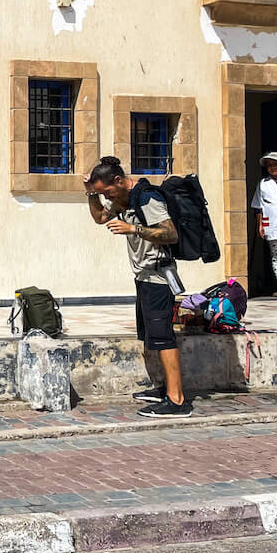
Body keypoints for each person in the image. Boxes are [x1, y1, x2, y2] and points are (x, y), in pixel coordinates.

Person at [84, 155, 192, 418]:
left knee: (164, 337)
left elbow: (170, 233)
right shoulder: (125, 200)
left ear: (119, 181)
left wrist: (134, 229)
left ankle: (176, 401)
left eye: (106, 191)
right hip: (143, 277)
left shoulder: (146, 199)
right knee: (150, 336)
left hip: (158, 277)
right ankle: (164, 387)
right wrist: (90, 194)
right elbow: (100, 218)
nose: (107, 197)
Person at [252, 151, 277, 295]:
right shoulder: (263, 184)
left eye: (275, 164)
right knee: (276, 256)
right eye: (269, 165)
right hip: (272, 225)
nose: (272, 167)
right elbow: (258, 207)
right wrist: (260, 225)